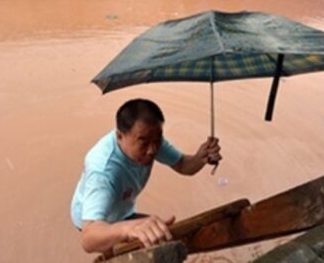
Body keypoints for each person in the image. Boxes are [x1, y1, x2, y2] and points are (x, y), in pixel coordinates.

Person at [71, 98, 221, 254]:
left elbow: (183, 165)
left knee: (161, 235)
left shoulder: (150, 139)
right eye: (143, 143)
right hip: (95, 222)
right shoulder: (103, 172)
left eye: (157, 140)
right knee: (117, 252)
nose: (152, 150)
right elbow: (88, 239)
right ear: (120, 136)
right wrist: (128, 229)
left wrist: (201, 157)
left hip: (122, 210)